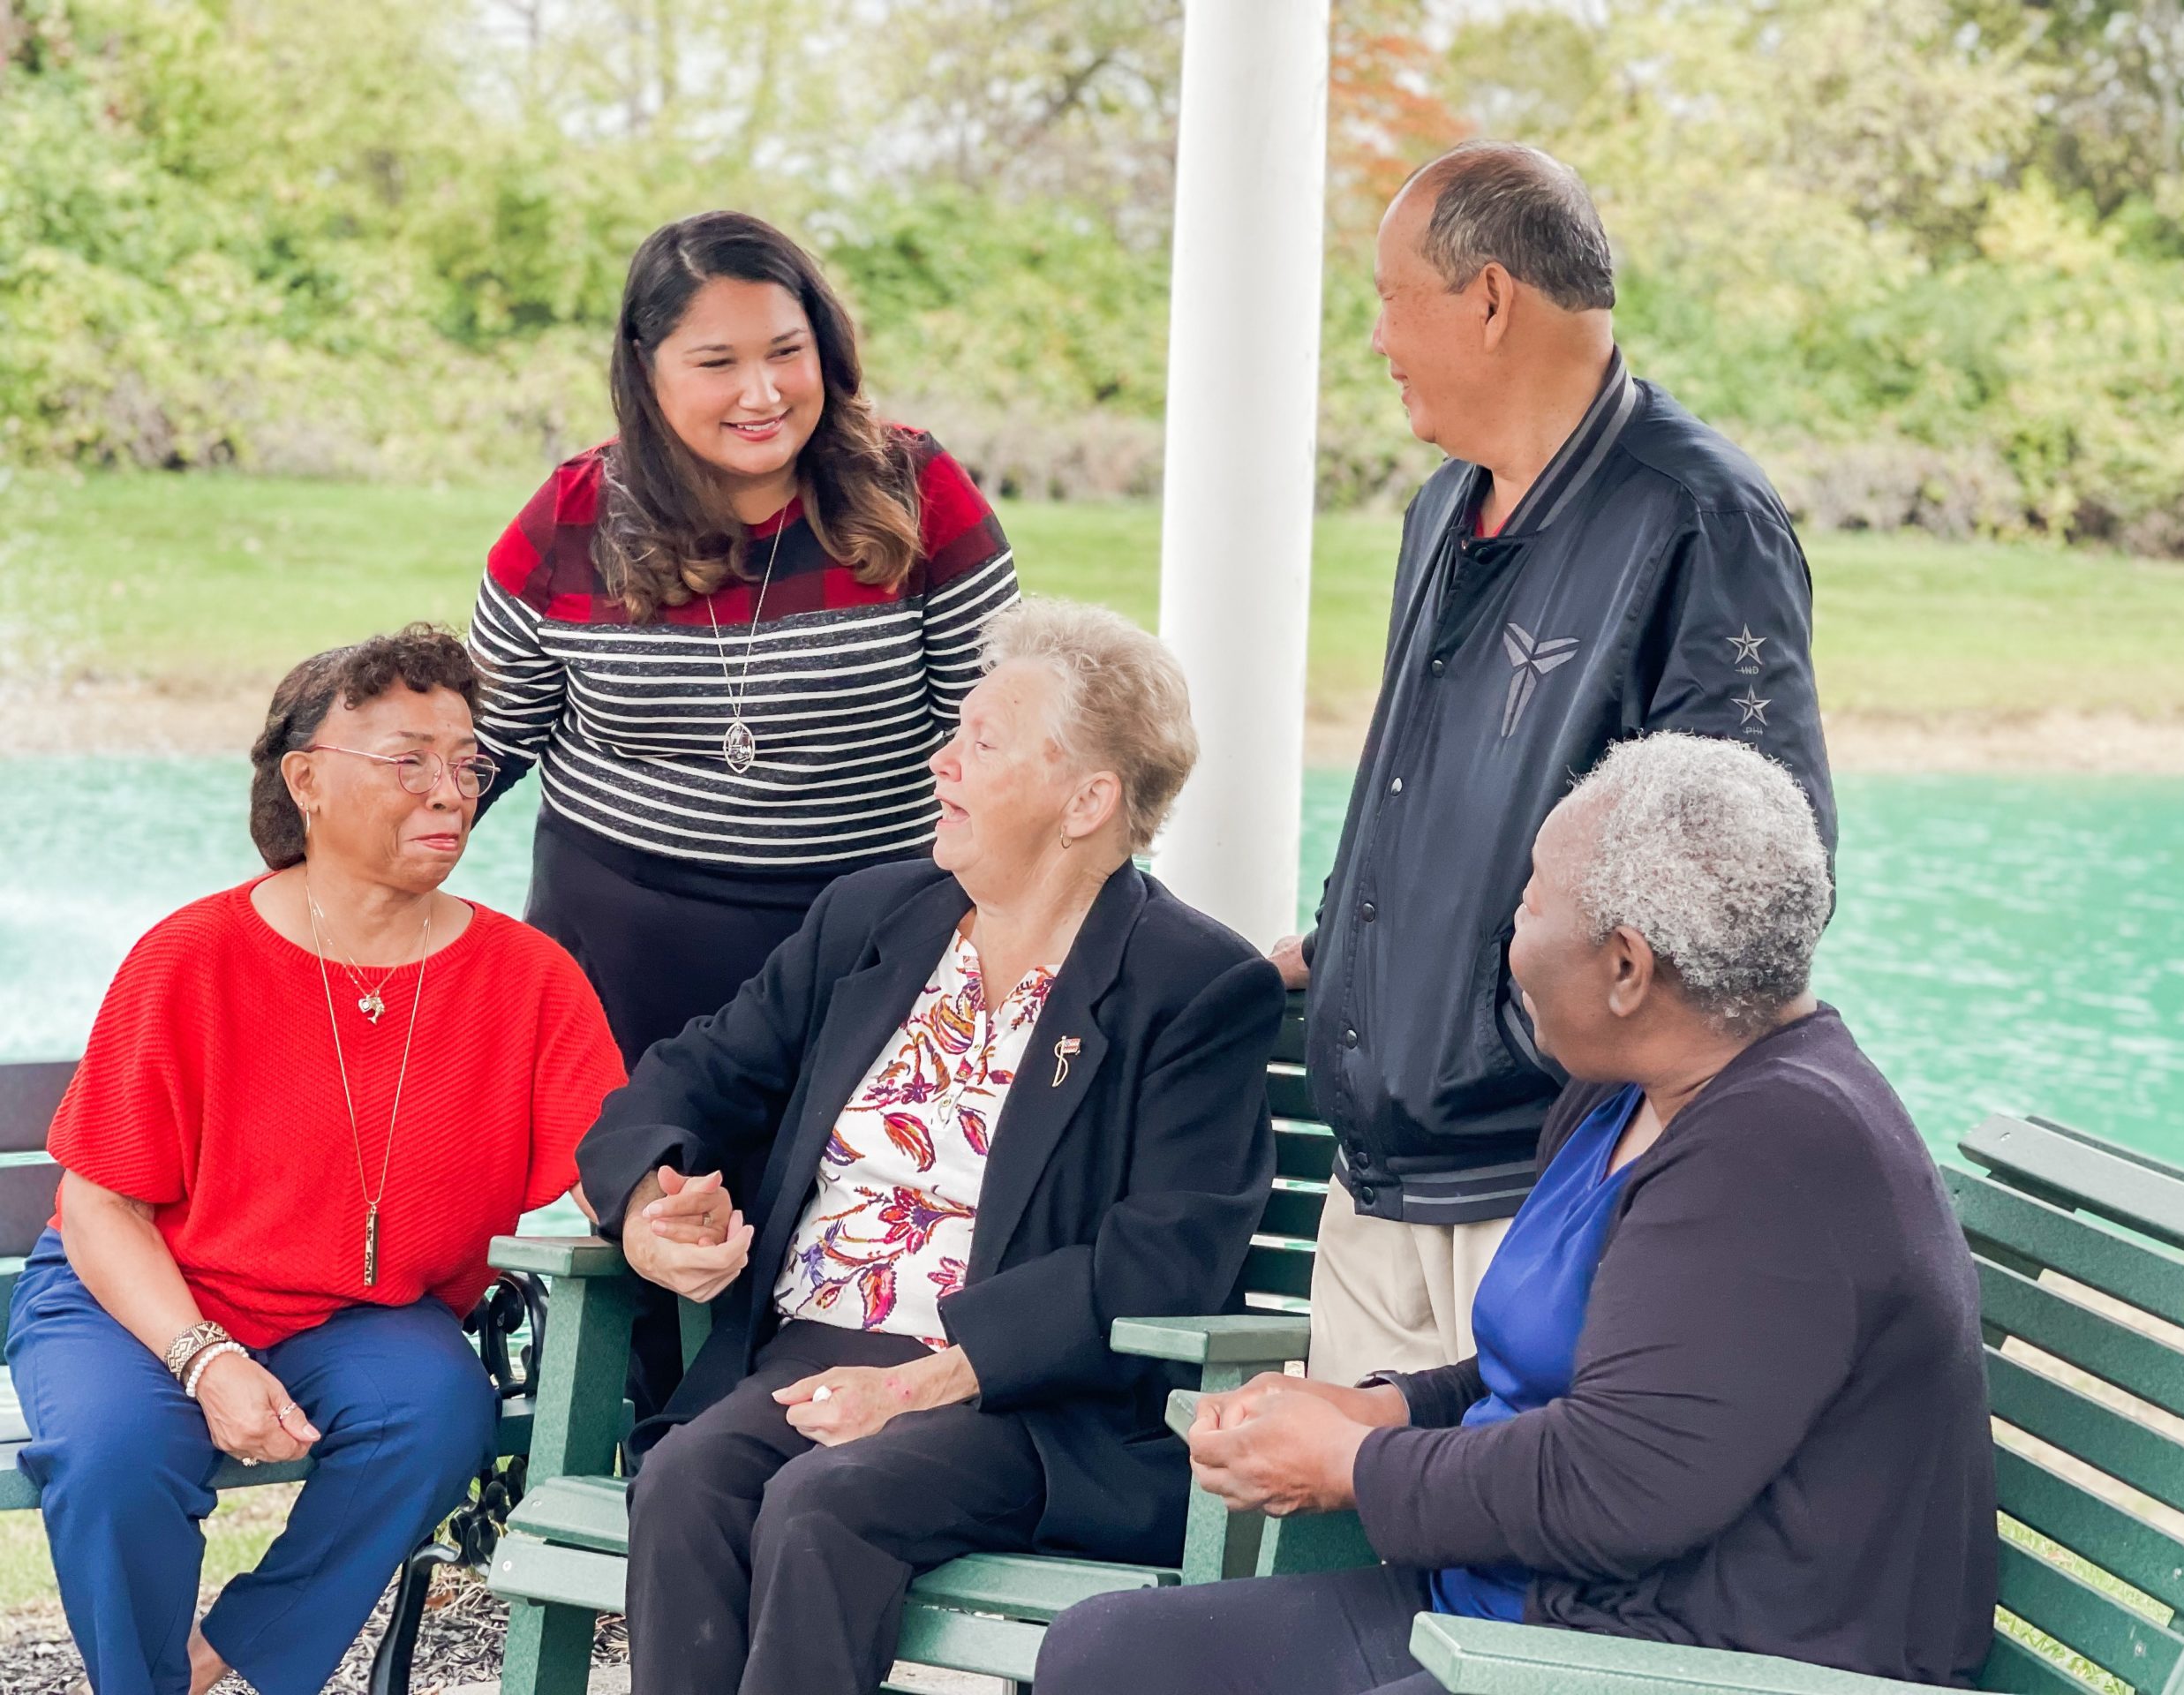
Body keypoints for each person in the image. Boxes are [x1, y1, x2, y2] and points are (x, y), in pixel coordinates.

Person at [1038, 733, 1996, 1695]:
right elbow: (1574, 1370)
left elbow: (1620, 1481)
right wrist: (1388, 1405)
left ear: (1626, 968)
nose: (1510, 938)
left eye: (1530, 902)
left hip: (1690, 1657)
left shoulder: (1780, 1155)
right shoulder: (1625, 1093)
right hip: (1520, 1605)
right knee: (1105, 1656)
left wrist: (1356, 1466)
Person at [574, 601, 1284, 1695]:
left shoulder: (1191, 986)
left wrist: (919, 1388)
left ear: (1087, 800)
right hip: (808, 1354)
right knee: (683, 1481)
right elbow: (689, 1074)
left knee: (824, 1504)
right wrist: (645, 1200)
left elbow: (1164, 1257)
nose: (941, 763)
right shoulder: (877, 916)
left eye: (981, 744)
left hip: (1016, 1399)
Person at [1274, 141, 1838, 1384]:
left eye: (1388, 298)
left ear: (1487, 298)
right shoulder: (1441, 507)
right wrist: (1339, 948)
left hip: (1544, 1183)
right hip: (1373, 1185)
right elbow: (1419, 795)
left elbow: (1760, 875)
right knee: (1363, 1567)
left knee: (1519, 1569)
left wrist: (1526, 1043)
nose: (1376, 339)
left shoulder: (1700, 516)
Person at [467, 209, 1019, 1411]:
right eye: (716, 363)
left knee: (817, 1246)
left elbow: (1004, 735)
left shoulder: (912, 490)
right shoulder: (570, 521)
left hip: (860, 946)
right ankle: (641, 1508)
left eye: (786, 349)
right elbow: (481, 746)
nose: (762, 392)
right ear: (647, 371)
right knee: (657, 1226)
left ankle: (761, 1491)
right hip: (620, 942)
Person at [8, 627, 626, 1695]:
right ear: (307, 780)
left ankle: (215, 1660)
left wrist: (668, 1208)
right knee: (114, 1460)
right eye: (406, 760)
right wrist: (206, 1359)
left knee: (436, 1413)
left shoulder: (528, 977)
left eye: (466, 761)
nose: (449, 790)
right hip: (141, 1291)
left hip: (357, 1315)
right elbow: (103, 1207)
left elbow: (610, 1159)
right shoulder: (191, 958)